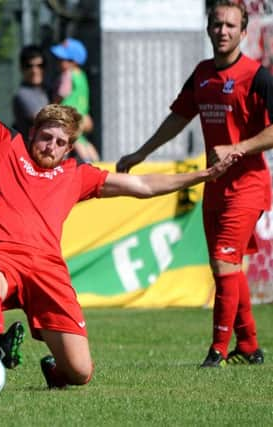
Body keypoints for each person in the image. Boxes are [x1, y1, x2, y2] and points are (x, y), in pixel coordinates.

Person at [0, 0, 239, 388]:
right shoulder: (4, 145)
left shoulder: (75, 174)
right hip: (2, 253)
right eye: (45, 136)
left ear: (70, 148)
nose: (50, 145)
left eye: (60, 141)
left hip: (48, 270)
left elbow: (141, 186)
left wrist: (201, 175)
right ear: (33, 133)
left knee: (79, 373)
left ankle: (53, 368)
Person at [116, 1, 269, 368]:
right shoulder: (202, 73)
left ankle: (217, 349)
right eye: (217, 25)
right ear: (208, 28)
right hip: (213, 185)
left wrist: (239, 147)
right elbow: (179, 118)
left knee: (222, 264)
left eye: (231, 26)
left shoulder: (257, 75)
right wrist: (139, 153)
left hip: (248, 186)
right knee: (229, 269)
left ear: (244, 32)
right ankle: (248, 346)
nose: (223, 31)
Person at [51, 37, 100, 163]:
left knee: (72, 140)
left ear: (73, 61)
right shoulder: (82, 76)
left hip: (68, 115)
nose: (58, 62)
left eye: (62, 59)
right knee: (82, 140)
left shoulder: (67, 74)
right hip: (81, 114)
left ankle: (86, 162)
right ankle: (97, 162)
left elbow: (62, 92)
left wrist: (53, 104)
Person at [12, 44, 49, 143]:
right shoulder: (22, 95)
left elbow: (89, 124)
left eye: (39, 65)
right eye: (29, 66)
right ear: (21, 68)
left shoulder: (50, 91)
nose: (34, 70)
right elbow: (45, 121)